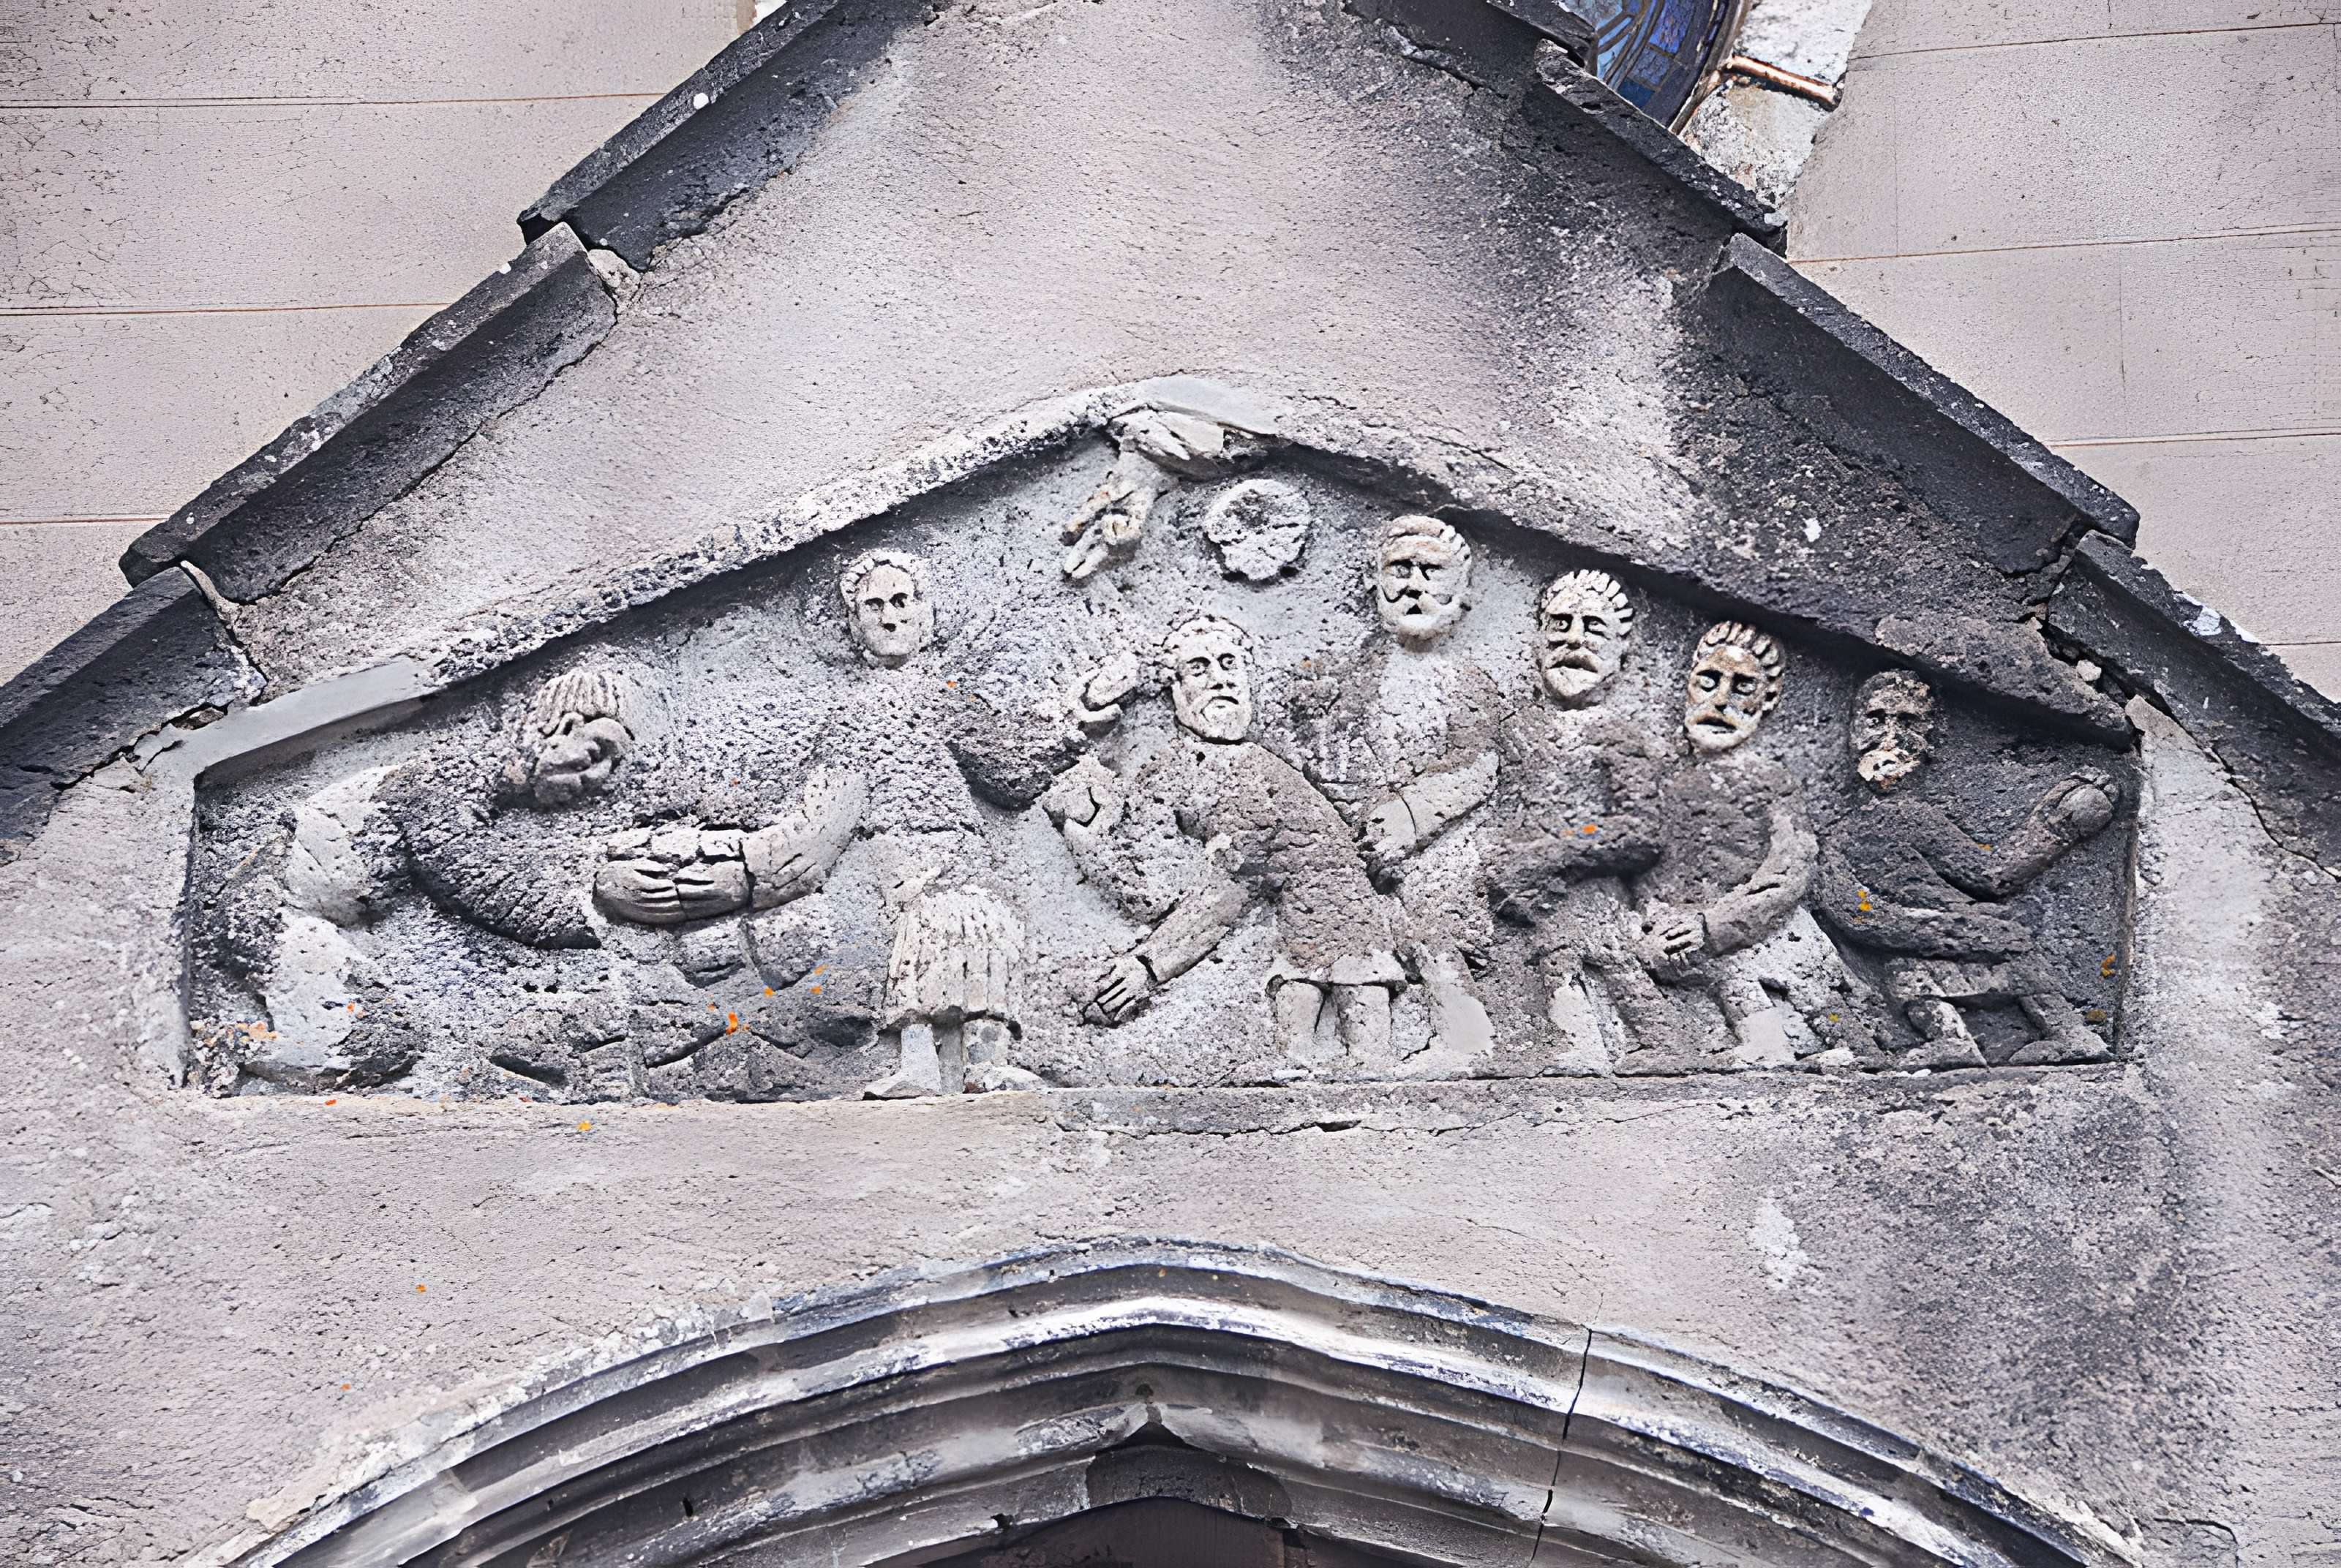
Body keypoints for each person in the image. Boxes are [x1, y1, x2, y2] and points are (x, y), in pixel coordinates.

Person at [1816, 669, 2119, 1067]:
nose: (1889, 736)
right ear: (1852, 733)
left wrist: (2057, 824)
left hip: (1957, 930)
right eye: (1875, 720)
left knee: (2003, 940)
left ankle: (2069, 1032)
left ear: (1930, 742)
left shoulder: (1912, 817)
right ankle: (1955, 1040)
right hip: (1912, 934)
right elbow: (1848, 909)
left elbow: (1991, 874)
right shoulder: (1841, 835)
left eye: (1907, 722)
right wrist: (1925, 929)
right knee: (1908, 970)